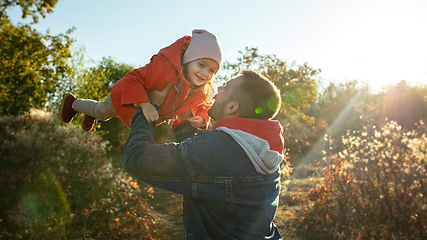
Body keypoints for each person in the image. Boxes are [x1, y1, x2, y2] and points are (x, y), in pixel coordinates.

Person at [124, 70, 285, 239]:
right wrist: (184, 112)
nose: (219, 88)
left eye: (227, 87)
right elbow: (205, 167)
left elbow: (137, 157)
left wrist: (151, 104)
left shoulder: (217, 149)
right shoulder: (264, 146)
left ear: (232, 107)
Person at [59, 29, 222, 132]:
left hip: (142, 113)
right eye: (201, 64)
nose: (204, 73)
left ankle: (90, 111)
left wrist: (202, 118)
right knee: (102, 112)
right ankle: (73, 103)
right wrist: (145, 104)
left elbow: (204, 105)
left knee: (103, 113)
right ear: (188, 60)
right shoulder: (164, 67)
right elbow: (132, 78)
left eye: (211, 71)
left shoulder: (200, 90)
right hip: (126, 95)